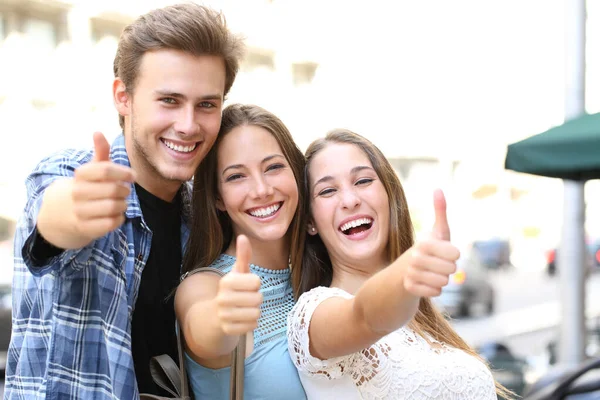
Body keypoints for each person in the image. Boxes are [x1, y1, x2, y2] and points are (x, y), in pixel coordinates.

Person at [5, 4, 244, 399]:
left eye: (206, 104)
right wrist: (75, 213)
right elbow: (52, 217)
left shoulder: (202, 217)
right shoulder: (73, 172)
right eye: (169, 100)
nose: (188, 125)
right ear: (123, 96)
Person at [287, 129, 509, 399]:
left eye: (363, 181)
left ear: (389, 196)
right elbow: (365, 316)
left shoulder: (423, 322)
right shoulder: (312, 315)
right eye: (328, 190)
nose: (350, 200)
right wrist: (410, 270)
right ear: (310, 221)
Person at [175, 104, 307, 399]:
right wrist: (224, 315)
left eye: (273, 167)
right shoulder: (205, 285)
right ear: (218, 198)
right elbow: (204, 330)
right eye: (236, 176)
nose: (261, 190)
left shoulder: (318, 269)